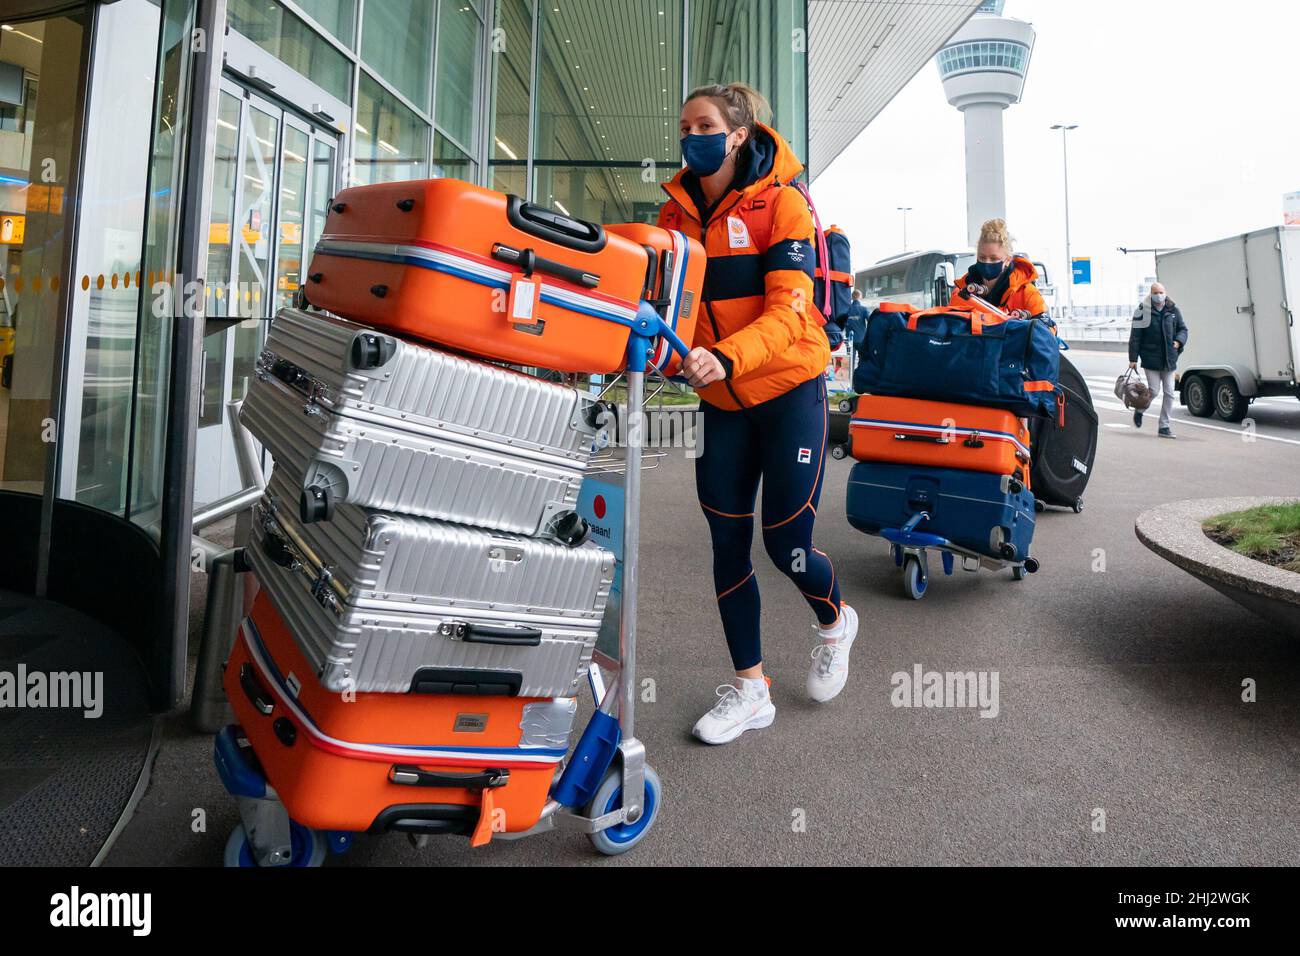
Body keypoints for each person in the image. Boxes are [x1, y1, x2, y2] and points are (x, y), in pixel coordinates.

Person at [658, 83, 858, 745]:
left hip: (786, 389)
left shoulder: (784, 204)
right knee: (725, 542)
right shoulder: (675, 214)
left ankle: (834, 623)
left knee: (787, 545)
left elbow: (790, 312)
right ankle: (751, 690)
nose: (693, 134)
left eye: (706, 123)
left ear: (738, 134)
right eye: (686, 124)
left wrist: (727, 356)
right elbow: (664, 305)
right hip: (721, 401)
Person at [950, 218, 1047, 319]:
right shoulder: (962, 292)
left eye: (993, 258)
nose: (987, 262)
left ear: (1008, 260)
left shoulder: (1027, 293)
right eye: (982, 257)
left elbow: (1047, 329)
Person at [1128, 282, 1188, 438]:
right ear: (1151, 293)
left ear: (1165, 292)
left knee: (1170, 393)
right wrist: (1133, 358)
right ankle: (1140, 411)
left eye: (1161, 292)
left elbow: (1182, 329)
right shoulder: (1142, 311)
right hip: (1151, 359)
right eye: (1156, 292)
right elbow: (1135, 337)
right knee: (1153, 391)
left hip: (1169, 358)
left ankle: (1164, 426)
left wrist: (1178, 341)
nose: (1159, 295)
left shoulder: (1173, 310)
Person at [844, 289, 869, 370]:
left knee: (850, 360)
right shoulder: (864, 309)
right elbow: (870, 320)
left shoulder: (846, 310)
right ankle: (859, 376)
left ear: (852, 297)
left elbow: (842, 323)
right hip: (861, 339)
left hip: (849, 340)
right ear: (860, 297)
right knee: (862, 359)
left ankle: (851, 378)